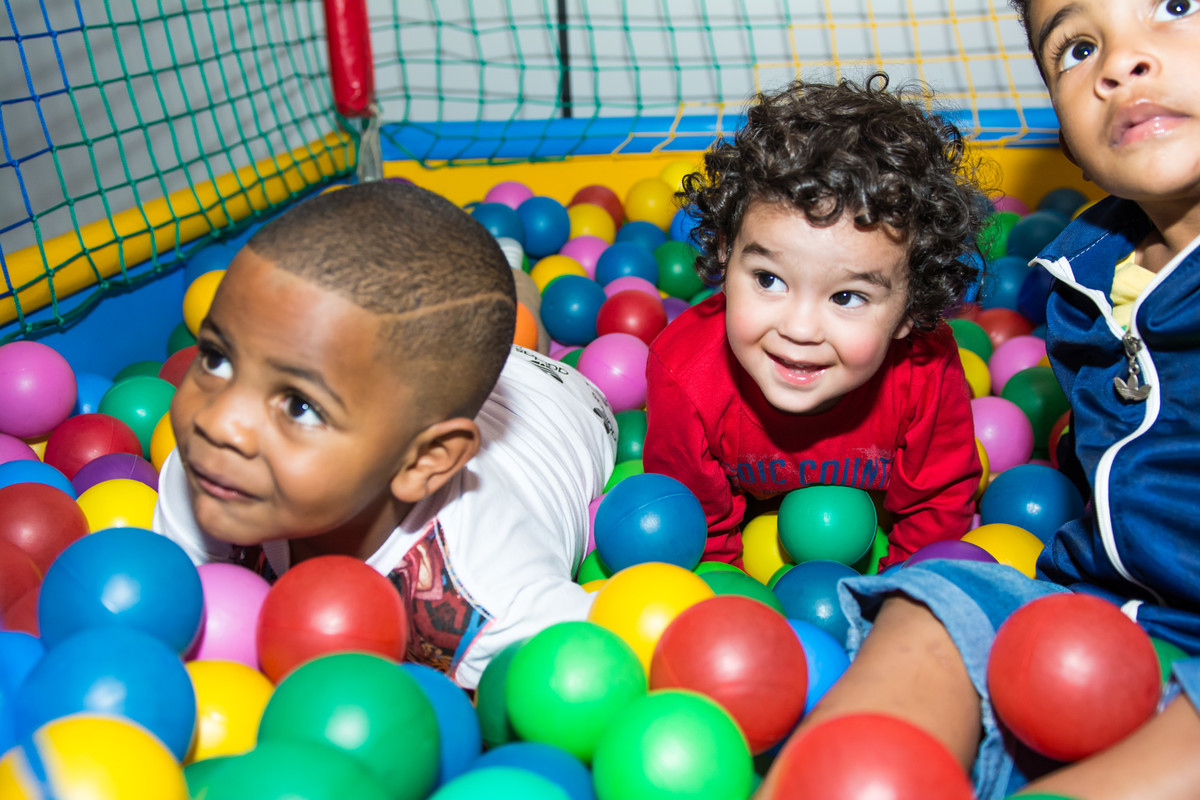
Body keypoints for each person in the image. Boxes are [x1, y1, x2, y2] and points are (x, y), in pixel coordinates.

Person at [791, 1, 1200, 797]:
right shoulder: (1084, 277)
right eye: (1078, 48)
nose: (1121, 61)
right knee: (934, 606)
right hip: (1103, 619)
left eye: (1176, 6)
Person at [153, 182, 617, 689]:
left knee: (520, 335)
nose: (219, 422)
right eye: (216, 359)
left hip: (564, 402)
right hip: (414, 390)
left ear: (423, 464)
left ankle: (514, 274)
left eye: (300, 407)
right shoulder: (210, 469)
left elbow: (621, 655)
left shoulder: (485, 596)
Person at [643, 75, 987, 568]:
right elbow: (700, 531)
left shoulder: (926, 370)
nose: (800, 329)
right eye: (769, 279)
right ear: (725, 253)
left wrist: (899, 598)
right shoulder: (685, 373)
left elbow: (936, 509)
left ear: (912, 311)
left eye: (847, 296)